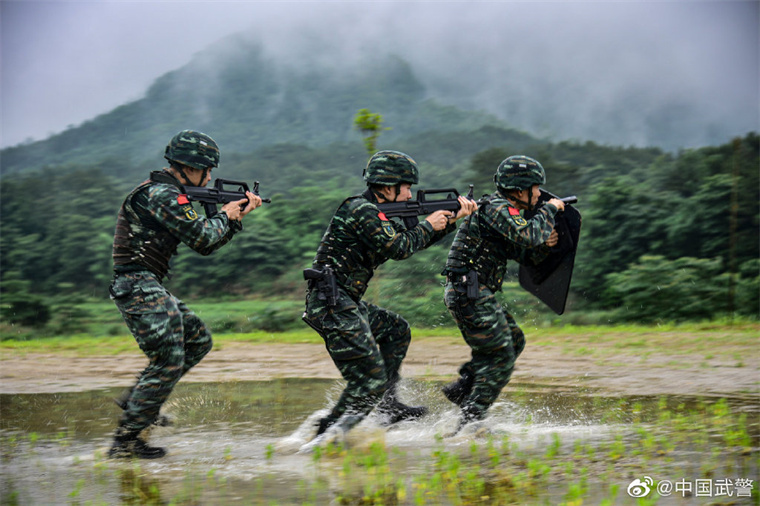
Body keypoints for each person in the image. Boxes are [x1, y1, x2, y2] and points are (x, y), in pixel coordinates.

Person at [302, 150, 477, 442]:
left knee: (396, 330)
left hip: (345, 301)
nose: (410, 193)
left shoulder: (377, 212)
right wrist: (429, 224)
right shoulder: (362, 210)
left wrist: (449, 220)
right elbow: (399, 247)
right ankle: (327, 435)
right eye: (406, 186)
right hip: (332, 303)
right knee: (368, 381)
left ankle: (388, 406)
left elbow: (410, 242)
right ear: (386, 187)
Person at [107, 130, 262, 458]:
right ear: (193, 168)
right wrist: (227, 216)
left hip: (147, 283)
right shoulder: (163, 195)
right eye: (208, 170)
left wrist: (231, 220)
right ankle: (126, 441)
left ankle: (140, 400)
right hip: (138, 283)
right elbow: (203, 238)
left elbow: (206, 245)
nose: (210, 177)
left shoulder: (166, 192)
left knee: (197, 340)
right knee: (168, 358)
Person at [441, 155, 565, 433]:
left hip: (473, 291)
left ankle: (465, 387)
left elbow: (524, 253)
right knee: (501, 357)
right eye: (535, 189)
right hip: (468, 291)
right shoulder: (499, 208)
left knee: (514, 340)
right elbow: (529, 235)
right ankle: (470, 423)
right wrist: (550, 210)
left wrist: (545, 245)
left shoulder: (504, 213)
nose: (538, 194)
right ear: (520, 190)